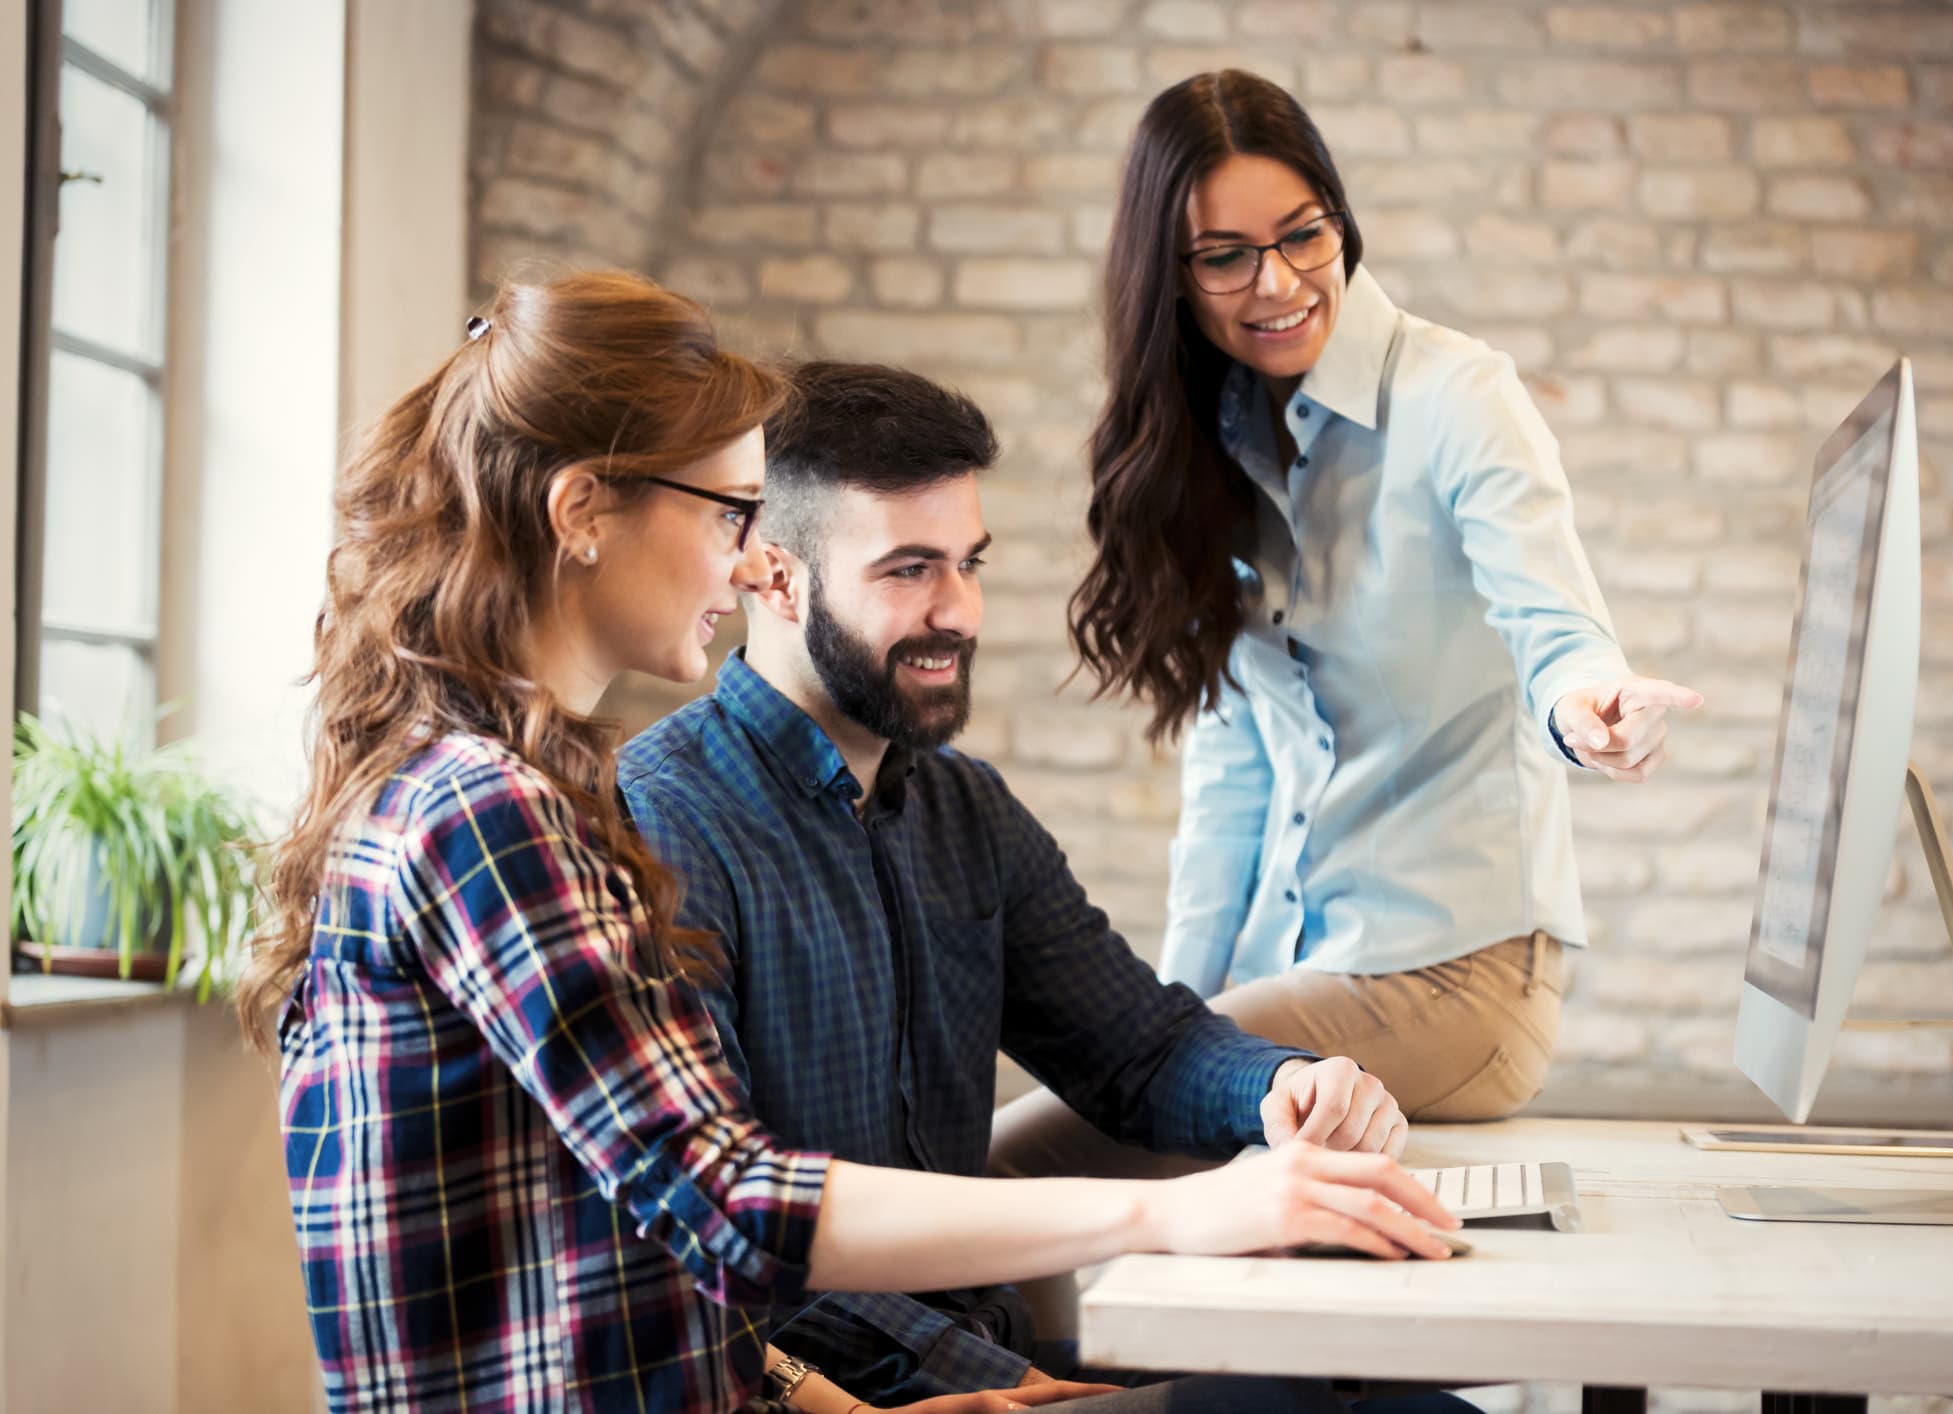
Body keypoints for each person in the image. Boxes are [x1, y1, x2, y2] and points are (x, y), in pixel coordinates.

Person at [238, 271, 1464, 1414]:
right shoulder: (495, 813)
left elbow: (657, 1264)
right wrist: (1175, 1218)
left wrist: (1274, 1102)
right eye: (726, 512)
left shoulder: (513, 795)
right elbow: (728, 1201)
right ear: (583, 514)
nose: (742, 551)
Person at [617, 361, 1441, 1406]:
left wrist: (1282, 1086)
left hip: (993, 1350)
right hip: (863, 1391)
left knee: (1385, 1390)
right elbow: (717, 1234)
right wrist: (1008, 1378)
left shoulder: (969, 812)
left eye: (970, 564)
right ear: (773, 577)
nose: (958, 612)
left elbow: (1141, 1048)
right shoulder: (658, 825)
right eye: (909, 570)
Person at [992, 71, 1705, 1181]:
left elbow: (1550, 624)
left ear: (1339, 216)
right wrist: (1162, 1023)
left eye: (1302, 235)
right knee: (1103, 1110)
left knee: (1014, 1161)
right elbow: (1234, 771)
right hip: (1305, 981)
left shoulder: (1459, 397)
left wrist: (1588, 709)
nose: (1275, 282)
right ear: (1169, 277)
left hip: (1459, 983)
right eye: (1225, 255)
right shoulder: (1214, 444)